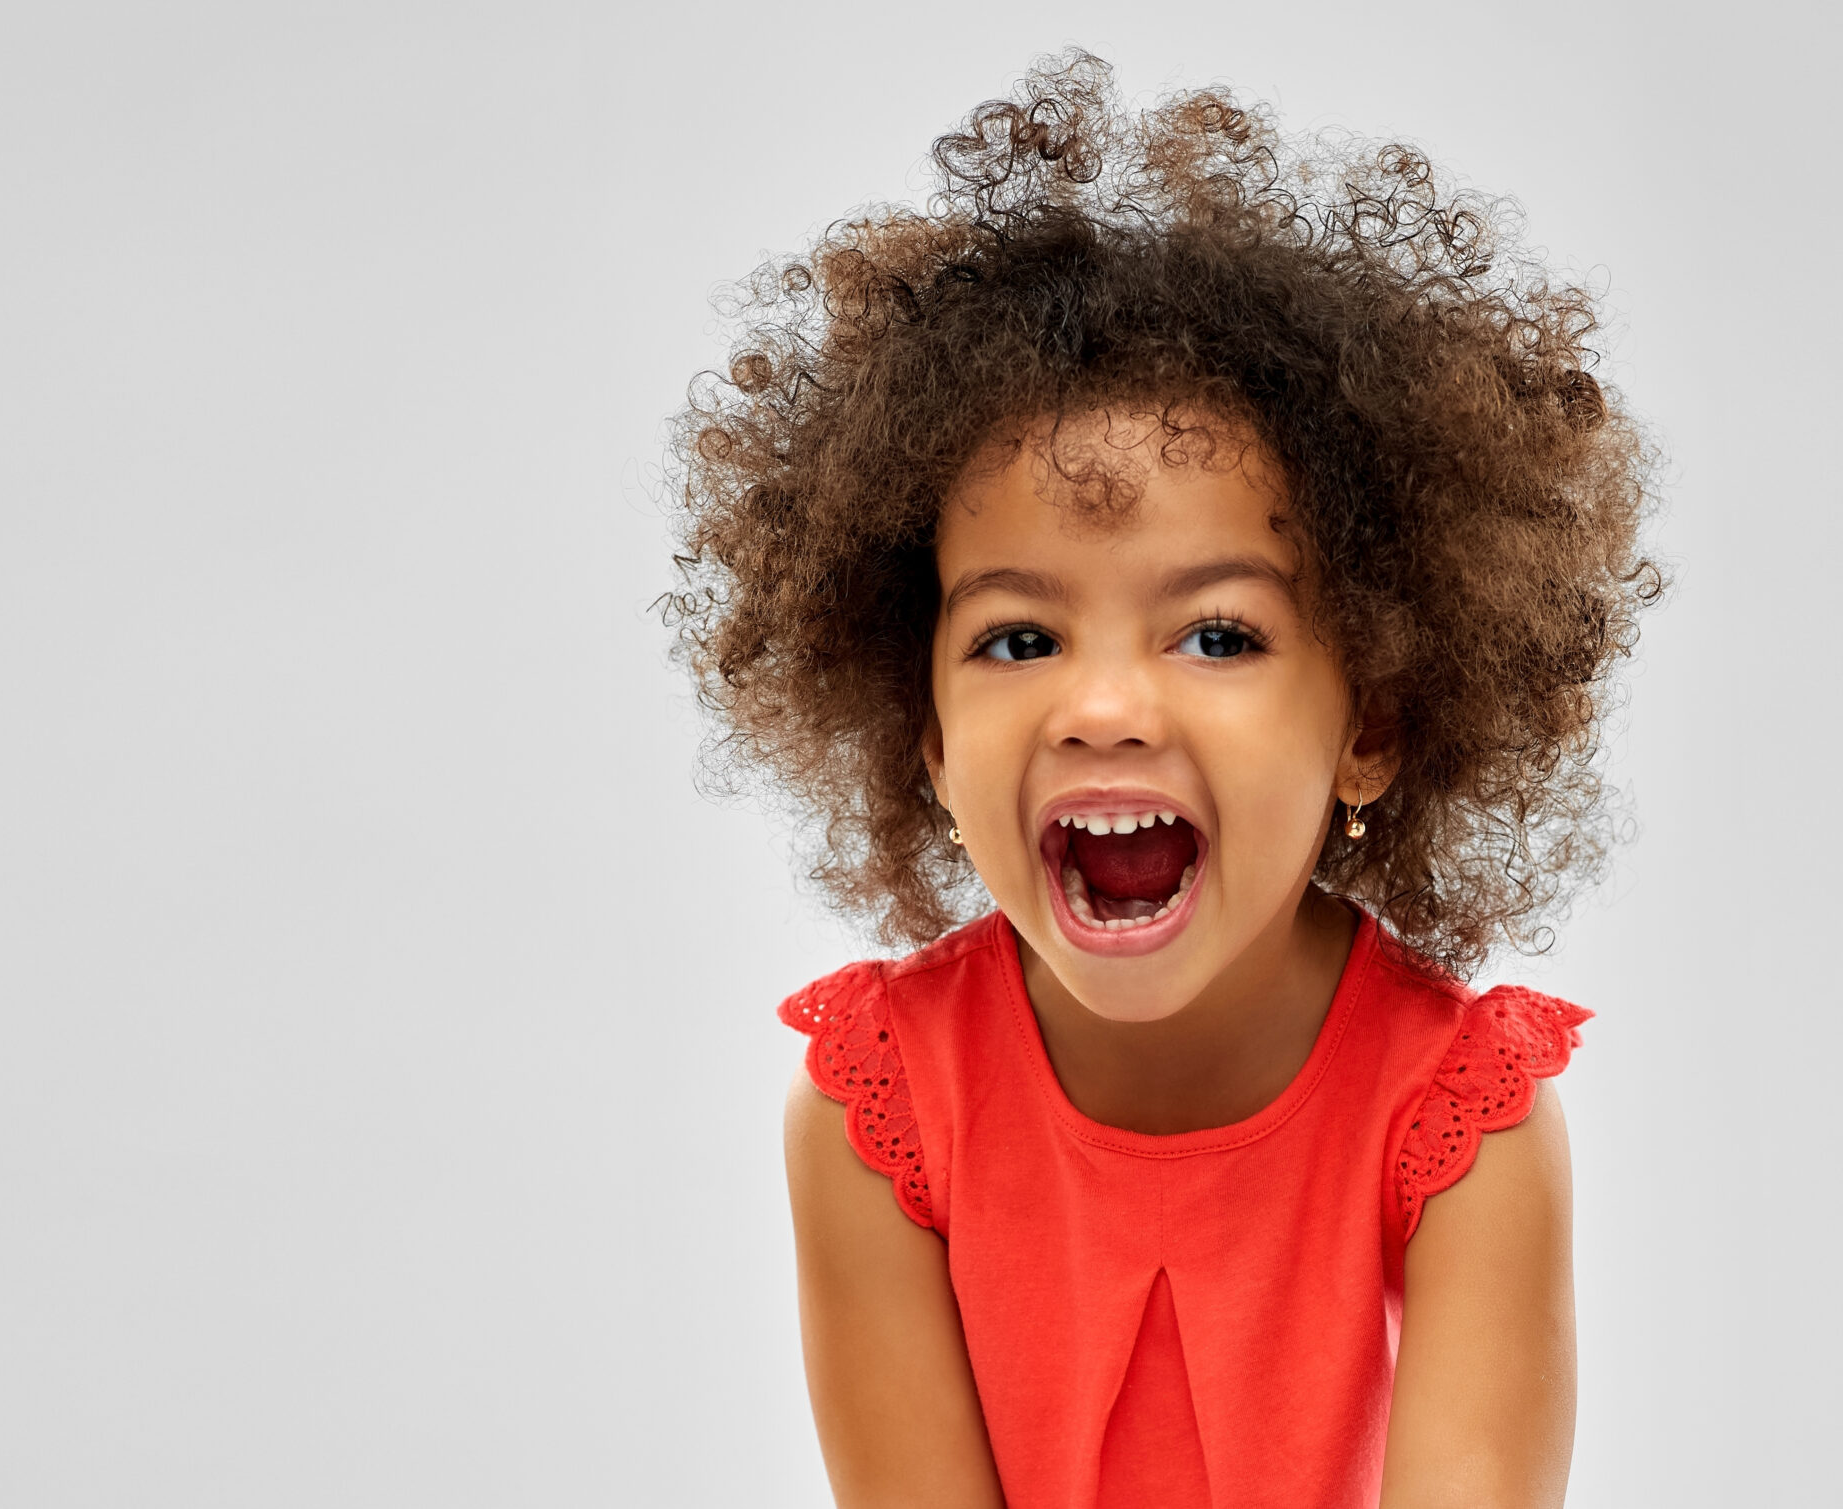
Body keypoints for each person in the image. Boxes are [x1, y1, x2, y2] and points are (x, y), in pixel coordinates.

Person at [666, 50, 1657, 1509]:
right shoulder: (876, 1112)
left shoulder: (1460, 1118)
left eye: (1217, 631)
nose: (1106, 704)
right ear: (926, 736)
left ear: (1370, 717)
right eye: (1018, 635)